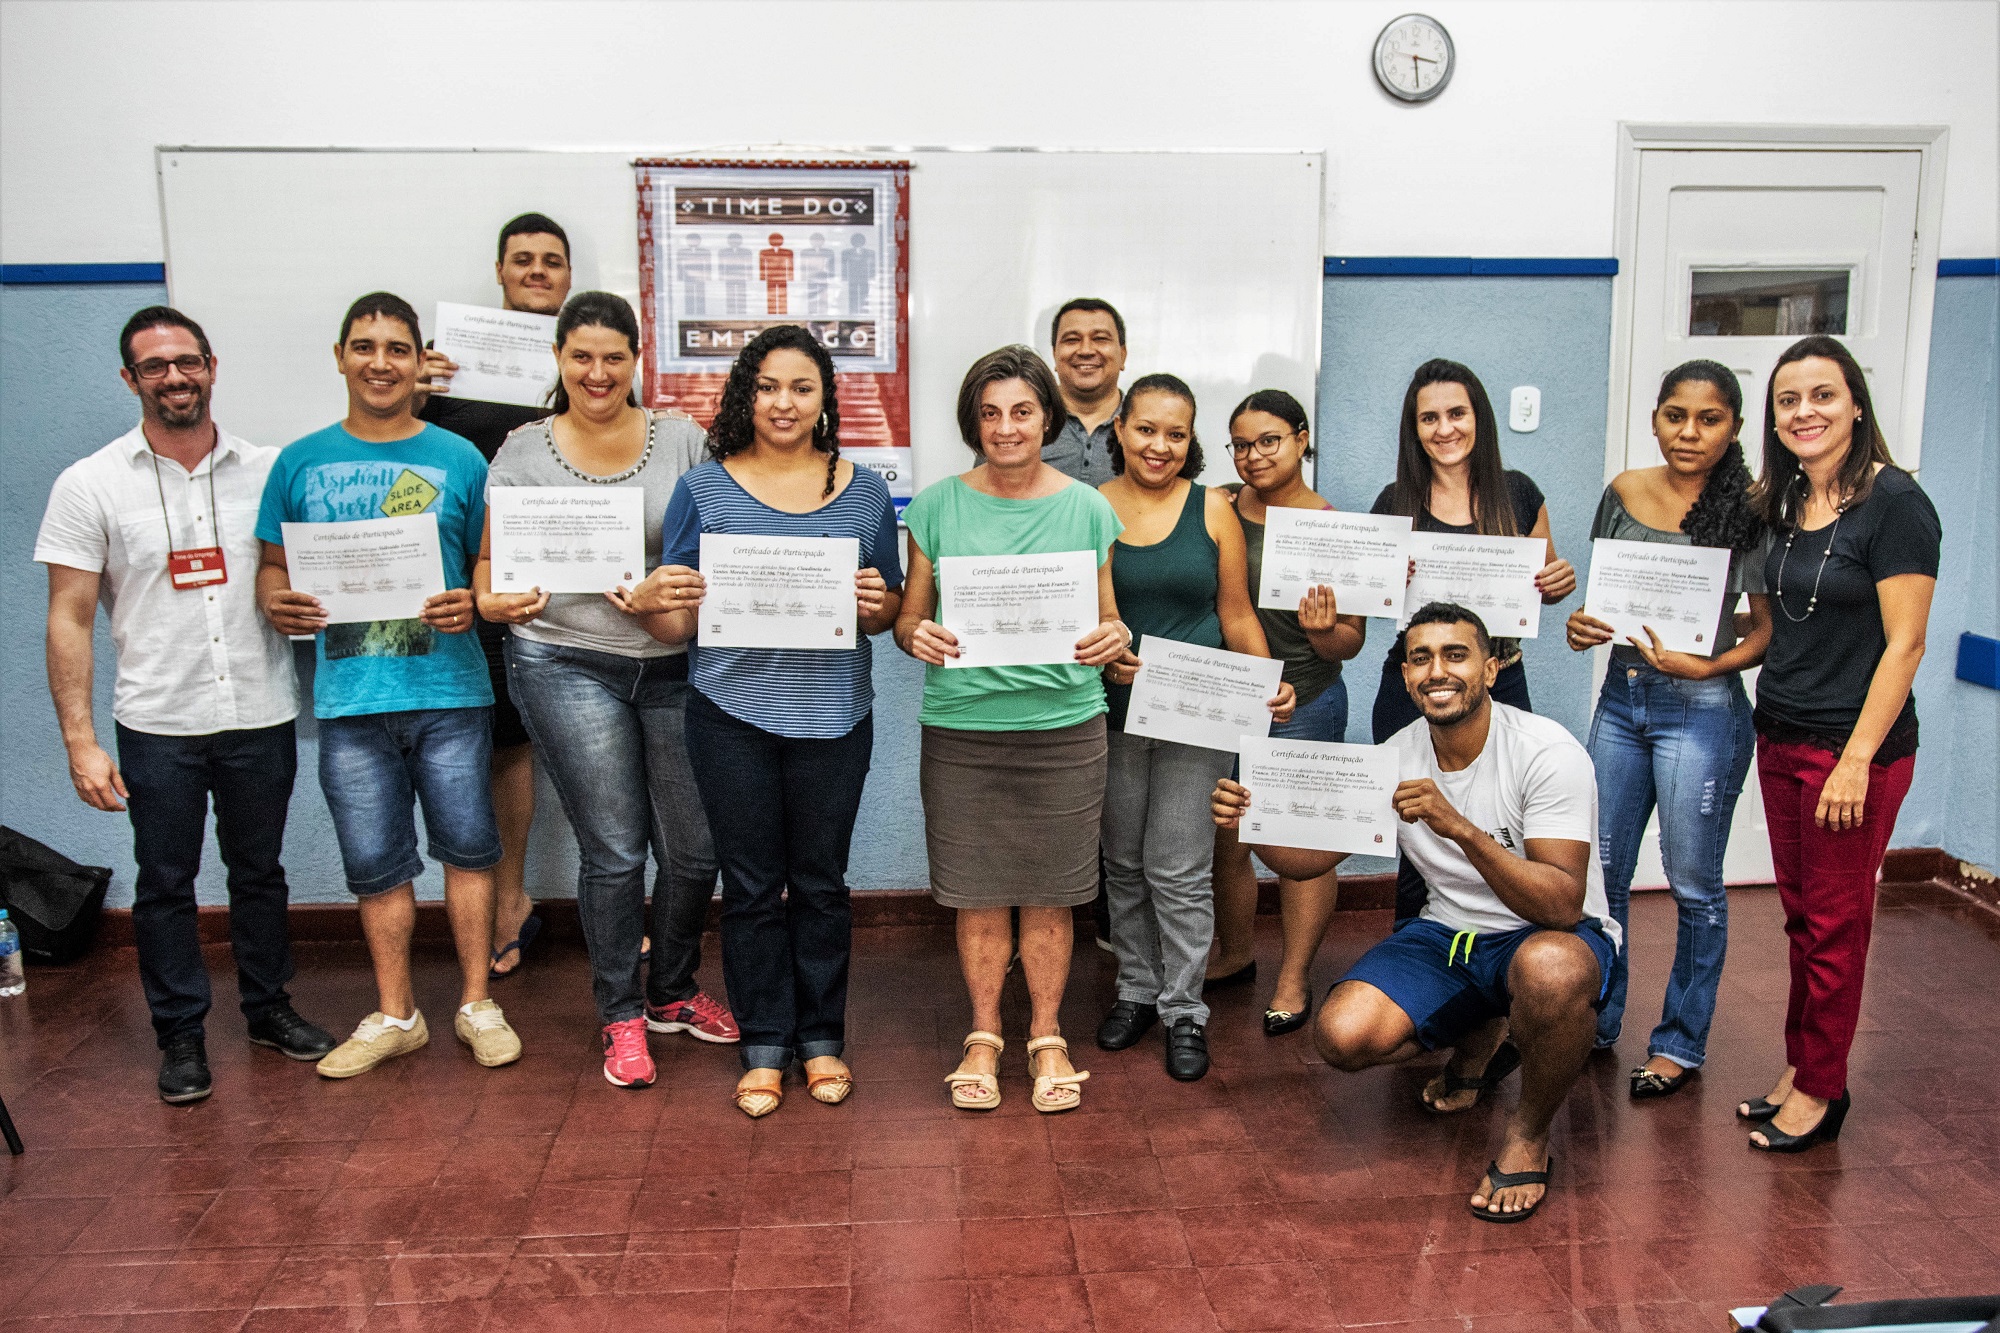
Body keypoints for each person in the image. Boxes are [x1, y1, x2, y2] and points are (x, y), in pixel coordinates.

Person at [1213, 603, 1619, 1221]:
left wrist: (1460, 828)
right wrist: (1253, 826)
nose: (1438, 671)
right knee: (1341, 1037)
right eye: (1421, 658)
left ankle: (1529, 1134)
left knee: (1553, 972)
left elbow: (1562, 903)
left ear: (1490, 668)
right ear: (1404, 676)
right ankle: (1483, 1029)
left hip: (1546, 934)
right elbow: (1308, 861)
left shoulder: (1547, 752)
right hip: (1448, 933)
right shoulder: (1397, 753)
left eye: (1455, 655)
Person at [36, 306, 335, 1104]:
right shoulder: (90, 482)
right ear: (130, 379)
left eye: (187, 361)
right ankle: (181, 1036)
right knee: (165, 883)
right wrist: (79, 741)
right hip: (157, 720)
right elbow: (68, 615)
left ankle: (269, 1009)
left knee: (259, 873)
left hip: (259, 708)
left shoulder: (270, 469)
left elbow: (321, 564)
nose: (175, 377)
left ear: (211, 365)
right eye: (155, 366)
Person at [473, 292, 736, 1092]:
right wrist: (490, 601)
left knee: (692, 847)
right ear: (558, 358)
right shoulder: (521, 449)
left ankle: (674, 990)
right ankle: (621, 1012)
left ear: (636, 359)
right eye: (581, 356)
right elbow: (487, 568)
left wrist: (673, 589)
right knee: (616, 849)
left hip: (671, 662)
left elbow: (715, 550)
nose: (597, 372)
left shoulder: (684, 438)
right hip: (562, 657)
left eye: (613, 356)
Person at [639, 324, 903, 1118]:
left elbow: (886, 609)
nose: (783, 403)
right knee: (751, 886)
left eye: (802, 387)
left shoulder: (863, 490)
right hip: (729, 715)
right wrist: (655, 605)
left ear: (826, 399)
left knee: (820, 884)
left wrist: (876, 604)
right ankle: (763, 1044)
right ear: (745, 395)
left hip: (834, 714)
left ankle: (821, 1039)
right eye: (768, 386)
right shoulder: (704, 490)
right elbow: (674, 625)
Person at [255, 291, 521, 1078]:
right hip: (351, 699)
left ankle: (476, 1002)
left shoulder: (459, 458)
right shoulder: (299, 461)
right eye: (364, 346)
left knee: (469, 852)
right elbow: (273, 566)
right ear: (340, 357)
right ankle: (397, 1012)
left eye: (397, 348)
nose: (380, 362)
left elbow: (487, 561)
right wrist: (279, 603)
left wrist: (472, 597)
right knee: (376, 863)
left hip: (451, 693)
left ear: (419, 363)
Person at [896, 345, 1128, 1114]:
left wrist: (1113, 638)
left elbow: (1109, 618)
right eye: (990, 412)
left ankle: (1050, 1033)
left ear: (1047, 418)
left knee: (1054, 893)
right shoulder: (934, 506)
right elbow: (908, 619)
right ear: (973, 421)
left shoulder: (1090, 508)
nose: (1006, 427)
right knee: (980, 894)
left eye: (1021, 411)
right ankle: (985, 1033)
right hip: (964, 729)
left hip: (1064, 727)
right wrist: (916, 635)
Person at [1736, 336, 1937, 1152]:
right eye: (1789, 400)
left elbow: (1906, 644)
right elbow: (1774, 625)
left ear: (1856, 403)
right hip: (1778, 732)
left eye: (1823, 394)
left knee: (1836, 925)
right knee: (1801, 919)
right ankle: (1801, 1065)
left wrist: (1856, 757)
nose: (1805, 412)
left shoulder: (1896, 503)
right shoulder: (1783, 501)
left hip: (1853, 752)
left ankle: (1823, 1088)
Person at [1565, 360, 1771, 1098]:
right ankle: (1597, 1018)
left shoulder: (1749, 505)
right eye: (1675, 415)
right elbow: (1606, 601)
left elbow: (1762, 634)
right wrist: (1584, 626)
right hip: (1620, 702)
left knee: (1693, 884)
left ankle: (1680, 1042)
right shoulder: (1622, 490)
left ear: (1735, 428)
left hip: (1703, 709)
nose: (1690, 431)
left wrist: (1704, 666)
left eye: (1709, 418)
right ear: (1655, 418)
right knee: (1602, 874)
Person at [1094, 374, 1294, 1081]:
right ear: (1119, 428)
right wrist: (1113, 653)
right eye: (1146, 429)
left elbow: (1237, 614)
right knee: (1122, 863)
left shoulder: (1213, 511)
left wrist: (1268, 686)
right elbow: (1095, 615)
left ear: (1190, 439)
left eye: (1176, 434)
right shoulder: (1088, 509)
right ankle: (1135, 991)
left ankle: (1184, 1010)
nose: (1160, 445)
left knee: (1178, 868)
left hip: (1199, 715)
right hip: (1111, 717)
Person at [416, 211, 575, 981]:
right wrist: (416, 394)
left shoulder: (588, 366)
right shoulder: (454, 372)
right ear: (501, 273)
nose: (538, 271)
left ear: (568, 277)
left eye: (551, 261)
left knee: (594, 740)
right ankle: (510, 902)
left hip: (574, 582)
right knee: (504, 745)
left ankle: (609, 904)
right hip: (478, 585)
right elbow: (414, 466)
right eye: (524, 260)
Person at [1371, 358, 1576, 929]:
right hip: (1412, 687)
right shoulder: (1393, 503)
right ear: (1414, 429)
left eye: (1456, 413)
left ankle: (1509, 958)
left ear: (1479, 418)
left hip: (1502, 677)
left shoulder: (1518, 492)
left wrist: (1557, 582)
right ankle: (1418, 957)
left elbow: (1543, 585)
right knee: (1416, 834)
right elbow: (1368, 600)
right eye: (1428, 418)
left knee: (1511, 821)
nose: (1444, 429)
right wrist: (1380, 579)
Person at [1206, 390, 1369, 1036]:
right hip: (1221, 699)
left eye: (1269, 440)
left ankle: (1294, 974)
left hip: (1303, 700)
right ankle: (1236, 951)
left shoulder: (1333, 526)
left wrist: (1323, 629)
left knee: (1300, 846)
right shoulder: (1215, 508)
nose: (1253, 456)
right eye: (1241, 444)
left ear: (1302, 439)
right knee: (1227, 834)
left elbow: (1350, 642)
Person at [1044, 297, 1129, 487]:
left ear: (1123, 354)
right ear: (1054, 355)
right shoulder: (1021, 422)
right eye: (1072, 340)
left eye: (1100, 339)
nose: (1086, 350)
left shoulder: (1147, 425)